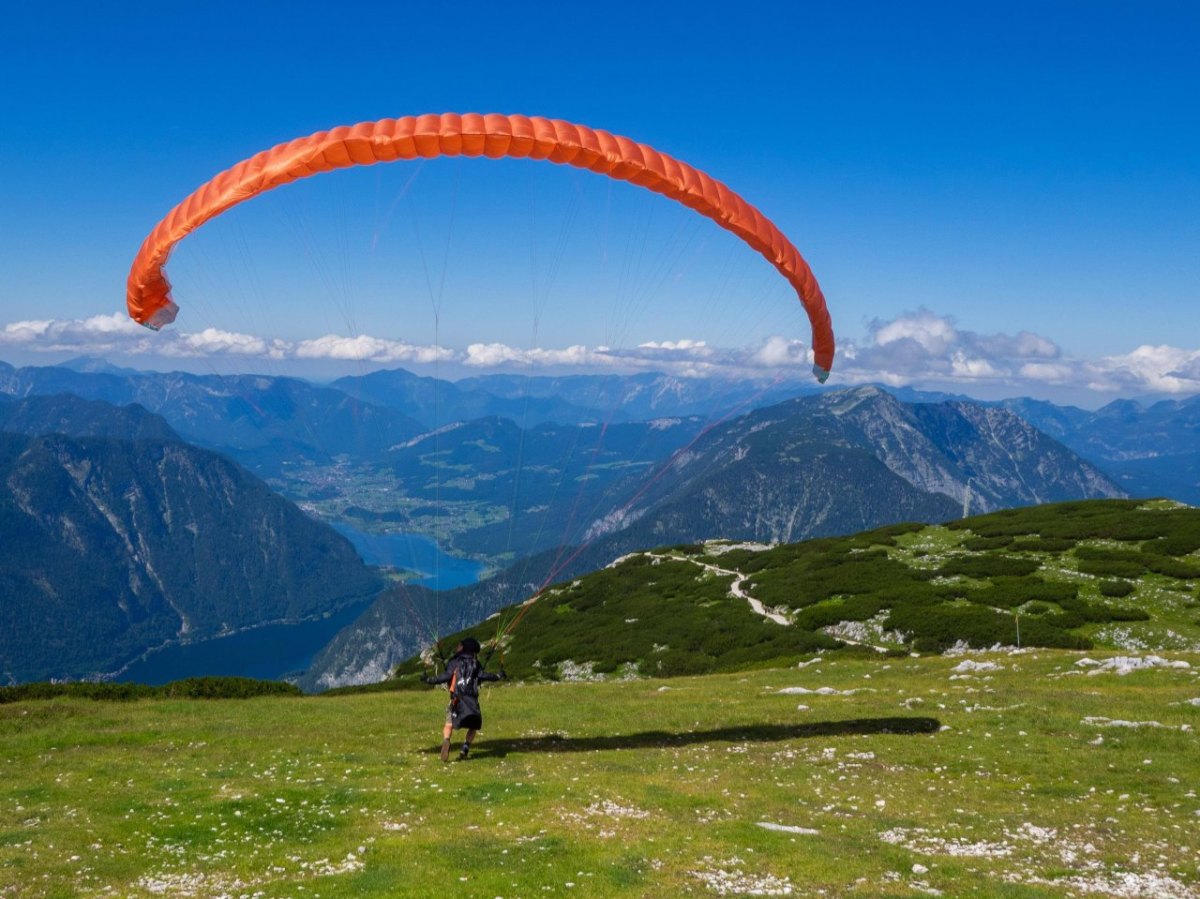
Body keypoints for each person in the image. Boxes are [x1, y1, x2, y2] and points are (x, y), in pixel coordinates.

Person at [422, 637, 505, 761]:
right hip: (471, 701)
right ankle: (465, 747)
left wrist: (428, 680)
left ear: (465, 648)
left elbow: (445, 676)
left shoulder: (454, 662)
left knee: (449, 724)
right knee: (474, 725)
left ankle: (446, 741)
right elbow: (484, 675)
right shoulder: (475, 663)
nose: (457, 647)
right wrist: (498, 675)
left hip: (456, 699)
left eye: (460, 645)